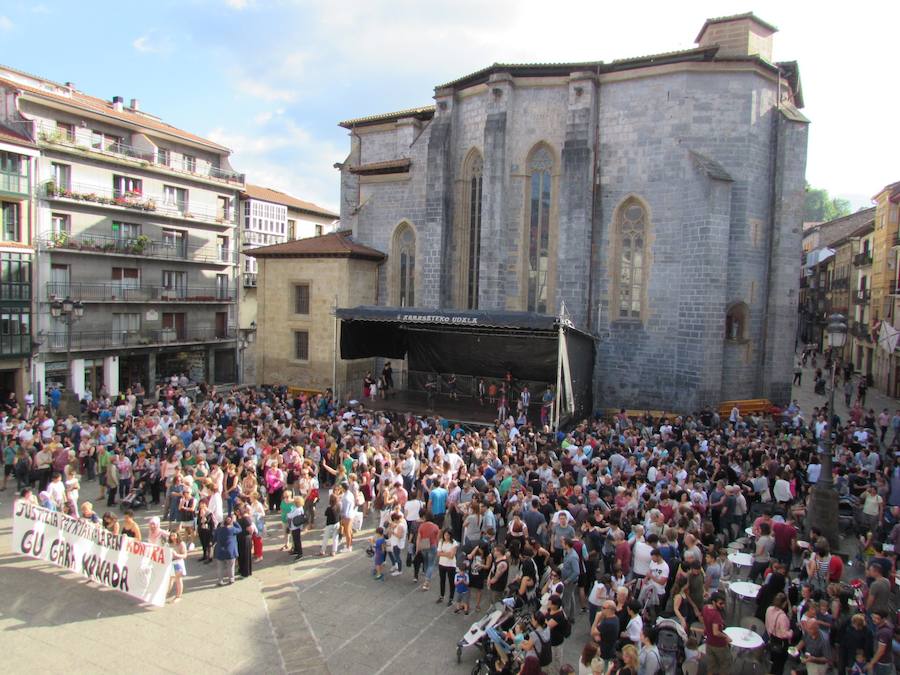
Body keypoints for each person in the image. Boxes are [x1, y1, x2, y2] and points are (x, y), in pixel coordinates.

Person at [702, 593, 732, 675]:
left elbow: (703, 621)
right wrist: (726, 637)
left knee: (711, 666)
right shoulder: (716, 615)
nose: (723, 606)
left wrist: (706, 631)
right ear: (713, 602)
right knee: (725, 665)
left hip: (709, 642)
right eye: (720, 603)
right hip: (719, 645)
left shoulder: (705, 608)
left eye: (723, 603)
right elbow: (716, 632)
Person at [213, 515, 241, 586]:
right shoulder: (232, 529)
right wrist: (235, 522)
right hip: (230, 551)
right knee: (231, 566)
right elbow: (240, 529)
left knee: (220, 567)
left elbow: (214, 539)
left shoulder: (218, 530)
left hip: (220, 551)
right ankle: (231, 579)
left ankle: (220, 580)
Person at [167, 531, 187, 602]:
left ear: (177, 536)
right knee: (170, 578)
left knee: (178, 579)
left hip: (178, 563)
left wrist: (177, 555)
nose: (173, 537)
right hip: (171, 563)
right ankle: (167, 593)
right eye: (171, 536)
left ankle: (178, 596)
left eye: (174, 535)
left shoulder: (181, 544)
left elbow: (185, 555)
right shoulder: (169, 544)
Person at [287, 495, 306, 560]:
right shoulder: (300, 507)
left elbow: (290, 515)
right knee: (295, 539)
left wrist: (287, 514)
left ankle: (300, 553)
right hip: (297, 526)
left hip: (295, 527)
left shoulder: (297, 510)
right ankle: (296, 550)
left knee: (297, 540)